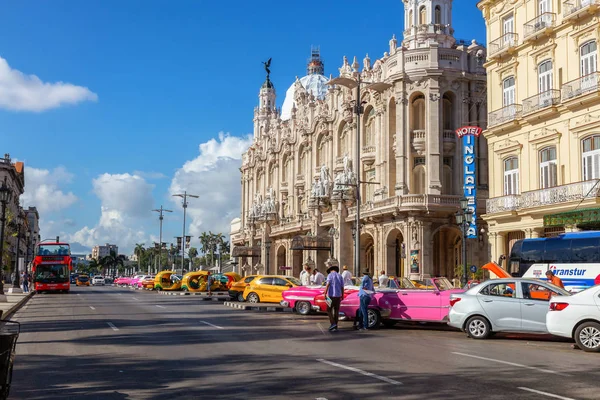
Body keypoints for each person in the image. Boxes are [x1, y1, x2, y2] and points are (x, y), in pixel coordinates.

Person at [323, 265, 344, 331]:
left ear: (331, 270)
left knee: (328, 310)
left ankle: (333, 323)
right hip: (338, 296)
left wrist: (325, 293)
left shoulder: (330, 275)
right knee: (336, 310)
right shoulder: (340, 276)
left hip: (331, 296)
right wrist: (342, 295)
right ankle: (335, 325)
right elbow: (342, 287)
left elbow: (328, 284)